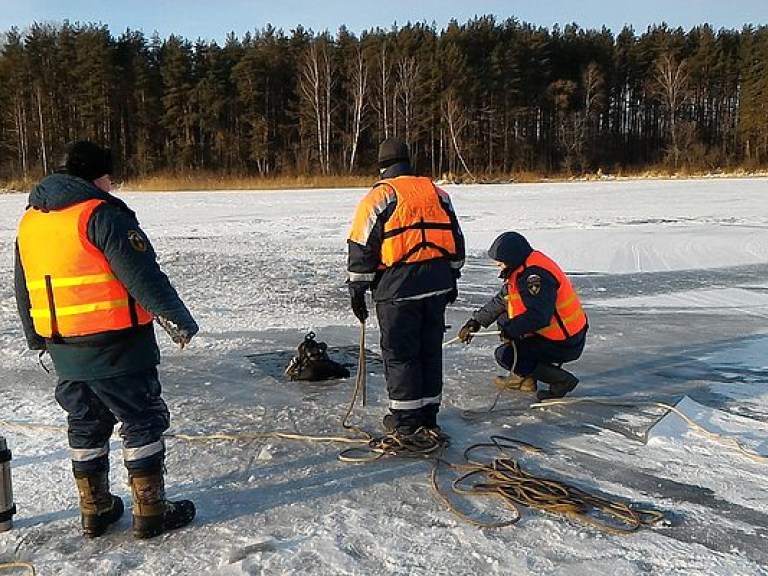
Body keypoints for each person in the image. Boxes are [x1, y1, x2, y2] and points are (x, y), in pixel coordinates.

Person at [14, 140, 198, 539]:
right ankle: (150, 510)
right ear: (94, 175)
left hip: (64, 348)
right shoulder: (101, 214)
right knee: (141, 419)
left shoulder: (31, 220)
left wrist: (36, 337)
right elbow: (141, 274)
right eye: (108, 175)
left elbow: (22, 286)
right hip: (118, 346)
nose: (112, 182)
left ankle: (95, 509)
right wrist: (177, 320)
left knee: (85, 425)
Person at [347, 137, 465, 449]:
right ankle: (428, 415)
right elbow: (456, 240)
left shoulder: (380, 196)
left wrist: (357, 290)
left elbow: (361, 245)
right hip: (438, 283)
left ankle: (407, 420)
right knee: (429, 350)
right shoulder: (438, 193)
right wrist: (451, 278)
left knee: (401, 354)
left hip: (398, 288)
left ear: (382, 165)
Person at [458, 231, 588, 401]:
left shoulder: (534, 276)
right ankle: (525, 379)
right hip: (557, 334)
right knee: (504, 318)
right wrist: (476, 322)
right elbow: (502, 299)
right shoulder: (523, 266)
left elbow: (539, 316)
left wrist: (511, 330)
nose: (497, 264)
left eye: (501, 260)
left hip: (564, 341)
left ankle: (561, 380)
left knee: (505, 355)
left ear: (512, 258)